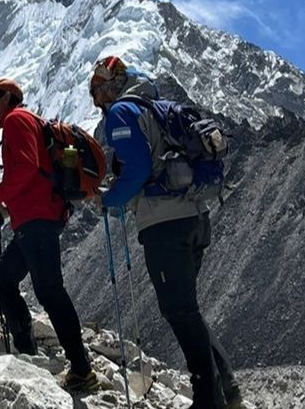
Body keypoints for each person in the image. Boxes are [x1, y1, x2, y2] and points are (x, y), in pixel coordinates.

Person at [92, 55, 242, 409]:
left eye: (95, 89)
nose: (95, 99)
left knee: (179, 310)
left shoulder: (122, 112)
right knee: (187, 308)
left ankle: (209, 401)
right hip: (195, 217)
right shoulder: (157, 109)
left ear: (111, 85)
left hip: (164, 224)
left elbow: (138, 169)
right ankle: (227, 390)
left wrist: (108, 199)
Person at [0, 77, 99, 392]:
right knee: (5, 282)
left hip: (36, 220)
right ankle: (28, 354)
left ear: (6, 97)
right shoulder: (25, 121)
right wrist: (4, 207)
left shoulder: (16, 120)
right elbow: (33, 172)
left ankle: (82, 370)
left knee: (50, 290)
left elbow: (26, 168)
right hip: (35, 218)